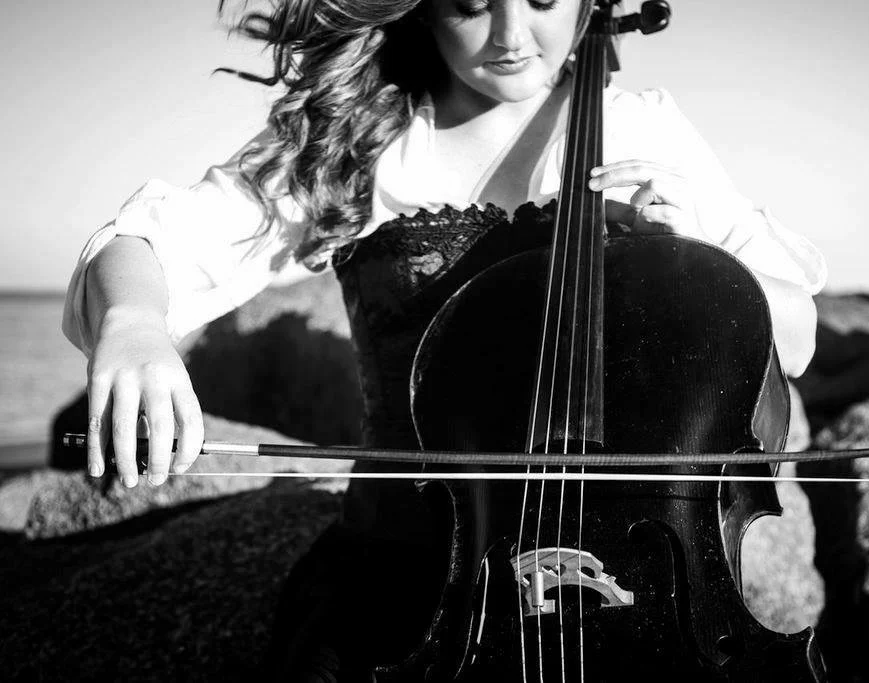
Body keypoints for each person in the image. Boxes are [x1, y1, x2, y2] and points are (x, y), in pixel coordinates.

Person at [62, 0, 827, 678]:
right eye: (469, 5)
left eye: (543, 0)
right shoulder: (364, 136)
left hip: (641, 575)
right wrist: (133, 324)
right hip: (404, 578)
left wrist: (700, 258)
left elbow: (794, 338)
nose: (510, 35)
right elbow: (148, 243)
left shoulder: (644, 130)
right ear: (423, 6)